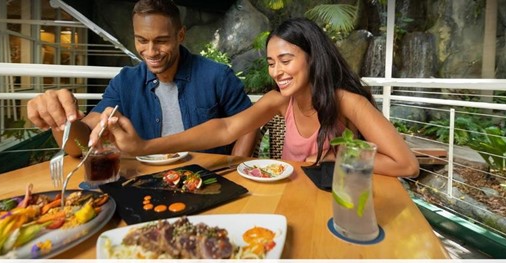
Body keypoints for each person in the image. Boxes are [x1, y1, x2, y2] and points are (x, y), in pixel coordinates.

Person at [93, 18, 419, 177]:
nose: (277, 71)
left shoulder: (348, 102)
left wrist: (338, 159)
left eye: (286, 60)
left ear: (313, 57)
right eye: (272, 63)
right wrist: (145, 148)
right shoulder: (280, 100)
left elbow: (406, 165)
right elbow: (224, 129)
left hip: (336, 199)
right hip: (293, 194)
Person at [27, 0, 257, 157]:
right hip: (148, 181)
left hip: (211, 180)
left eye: (161, 41)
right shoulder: (125, 82)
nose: (150, 51)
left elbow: (249, 123)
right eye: (142, 40)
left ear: (180, 35)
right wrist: (62, 120)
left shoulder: (217, 75)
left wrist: (235, 166)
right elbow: (79, 144)